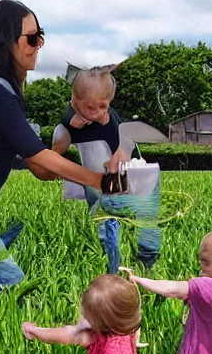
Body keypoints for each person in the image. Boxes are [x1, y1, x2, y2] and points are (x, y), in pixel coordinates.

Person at [0, 0, 123, 300]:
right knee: (8, 282)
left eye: (40, 36)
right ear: (5, 40)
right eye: (31, 38)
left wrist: (66, 144)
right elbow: (38, 157)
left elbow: (41, 168)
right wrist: (96, 180)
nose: (38, 45)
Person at [53, 65, 158, 274]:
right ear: (75, 102)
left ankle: (144, 259)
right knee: (101, 211)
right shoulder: (67, 125)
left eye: (103, 106)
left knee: (134, 213)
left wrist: (122, 155)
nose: (98, 113)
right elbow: (58, 146)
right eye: (91, 108)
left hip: (124, 173)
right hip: (95, 176)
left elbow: (128, 142)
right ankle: (109, 258)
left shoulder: (111, 121)